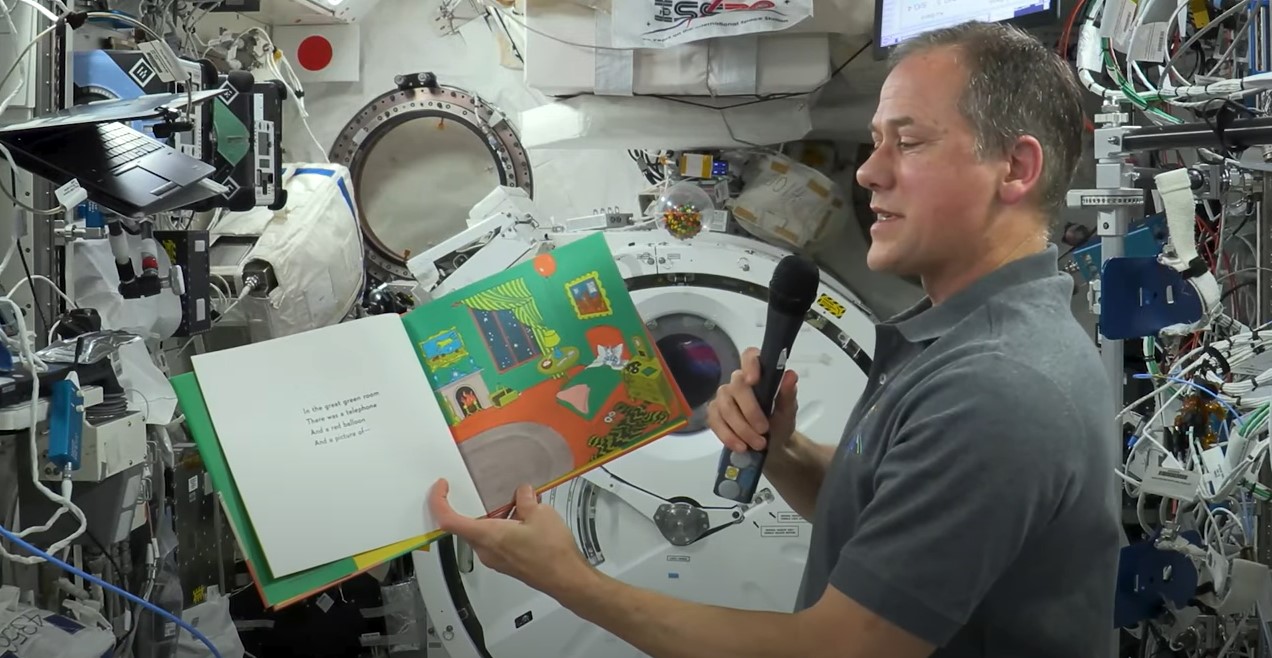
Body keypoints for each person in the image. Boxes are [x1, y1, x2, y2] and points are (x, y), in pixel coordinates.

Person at [427, 20, 1122, 658]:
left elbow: (838, 651)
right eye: (876, 141)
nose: (870, 172)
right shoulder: (973, 343)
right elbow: (895, 529)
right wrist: (786, 453)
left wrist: (567, 580)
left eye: (907, 143)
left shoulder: (997, 386)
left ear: (1016, 168)